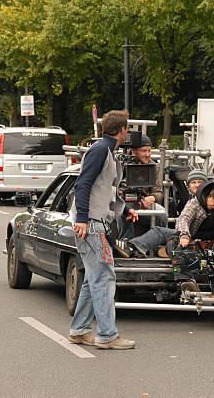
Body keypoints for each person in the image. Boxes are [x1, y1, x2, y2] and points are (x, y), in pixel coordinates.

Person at [69, 109, 138, 350]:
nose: (127, 133)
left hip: (94, 221)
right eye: (127, 128)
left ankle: (79, 330)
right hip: (92, 224)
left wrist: (125, 209)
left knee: (93, 277)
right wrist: (83, 219)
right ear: (122, 130)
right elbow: (83, 184)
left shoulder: (105, 151)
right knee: (104, 277)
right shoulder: (101, 150)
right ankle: (107, 335)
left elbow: (102, 189)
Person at [117, 169, 208, 258]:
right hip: (187, 235)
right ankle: (141, 248)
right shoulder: (194, 200)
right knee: (161, 232)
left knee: (159, 228)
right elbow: (184, 218)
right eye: (193, 182)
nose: (197, 185)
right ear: (188, 186)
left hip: (194, 237)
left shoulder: (202, 199)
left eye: (200, 182)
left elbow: (184, 219)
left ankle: (131, 247)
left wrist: (184, 235)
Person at [118, 134, 167, 239]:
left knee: (162, 214)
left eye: (149, 150)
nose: (148, 154)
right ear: (133, 151)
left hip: (144, 203)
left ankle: (159, 242)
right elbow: (113, 190)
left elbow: (159, 193)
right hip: (124, 202)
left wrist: (152, 198)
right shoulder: (121, 165)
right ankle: (124, 243)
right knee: (121, 210)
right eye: (143, 151)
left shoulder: (154, 166)